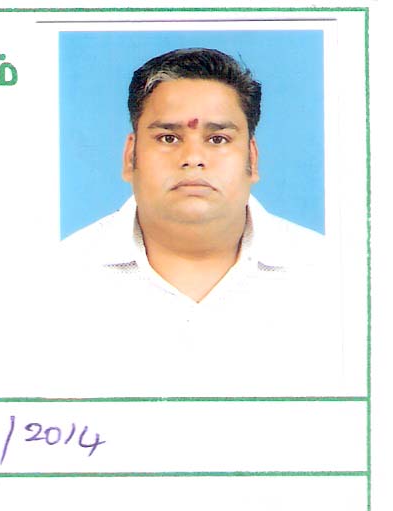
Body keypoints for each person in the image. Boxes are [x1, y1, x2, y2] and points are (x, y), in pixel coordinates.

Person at [56, 48, 341, 396]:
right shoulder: (55, 279)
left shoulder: (335, 276)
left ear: (251, 158)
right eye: (169, 138)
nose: (192, 158)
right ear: (131, 157)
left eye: (217, 139)